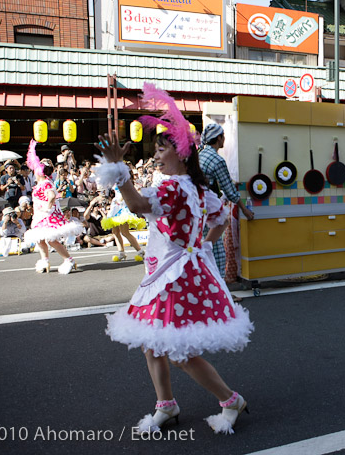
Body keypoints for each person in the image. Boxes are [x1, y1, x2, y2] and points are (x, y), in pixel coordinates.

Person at [98, 83, 254, 434]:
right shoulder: (197, 189)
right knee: (153, 345)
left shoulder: (173, 187)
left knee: (179, 352)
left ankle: (231, 400)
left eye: (162, 147)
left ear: (181, 153)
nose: (156, 154)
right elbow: (220, 217)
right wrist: (198, 247)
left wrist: (119, 169)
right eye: (156, 147)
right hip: (175, 272)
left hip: (174, 279)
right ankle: (165, 405)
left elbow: (137, 206)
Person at [198, 123, 255, 279]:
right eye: (223, 137)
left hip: (196, 210)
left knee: (201, 249)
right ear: (218, 138)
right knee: (216, 252)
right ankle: (221, 293)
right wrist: (245, 210)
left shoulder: (200, 154)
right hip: (208, 212)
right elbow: (230, 192)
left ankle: (206, 289)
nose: (224, 140)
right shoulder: (217, 160)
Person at [23, 140, 84, 274]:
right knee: (40, 239)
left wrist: (47, 208)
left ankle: (69, 259)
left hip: (47, 215)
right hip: (40, 215)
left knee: (51, 240)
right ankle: (44, 260)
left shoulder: (46, 183)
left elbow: (51, 195)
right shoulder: (40, 184)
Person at [102, 185, 146, 261]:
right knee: (115, 232)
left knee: (124, 232)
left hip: (122, 206)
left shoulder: (122, 179)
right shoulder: (114, 181)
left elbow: (126, 191)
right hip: (115, 207)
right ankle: (121, 253)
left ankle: (140, 251)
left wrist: (120, 200)